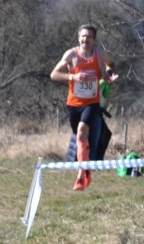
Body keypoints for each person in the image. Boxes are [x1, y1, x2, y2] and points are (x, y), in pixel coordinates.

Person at [50, 24, 118, 191]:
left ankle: (81, 175)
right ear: (78, 38)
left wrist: (107, 74)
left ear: (94, 40)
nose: (85, 39)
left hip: (91, 102)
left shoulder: (99, 54)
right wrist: (73, 77)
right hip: (73, 104)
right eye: (83, 36)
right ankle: (86, 170)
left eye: (89, 37)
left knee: (81, 133)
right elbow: (54, 74)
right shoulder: (72, 54)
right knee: (81, 138)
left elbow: (110, 64)